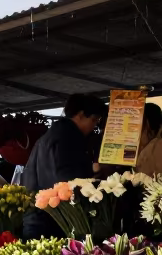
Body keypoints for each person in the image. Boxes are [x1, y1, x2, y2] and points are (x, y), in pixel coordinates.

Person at [21, 93, 107, 238]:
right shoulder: (68, 138)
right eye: (93, 120)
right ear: (80, 115)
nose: (94, 126)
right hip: (53, 222)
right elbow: (69, 181)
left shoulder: (50, 136)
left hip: (36, 218)